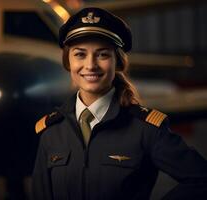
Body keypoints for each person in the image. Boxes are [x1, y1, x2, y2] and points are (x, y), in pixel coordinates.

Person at [32, 7, 207, 200]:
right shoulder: (51, 131)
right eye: (80, 54)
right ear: (68, 63)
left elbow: (201, 179)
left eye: (103, 54)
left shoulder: (146, 129)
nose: (90, 65)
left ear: (118, 62)